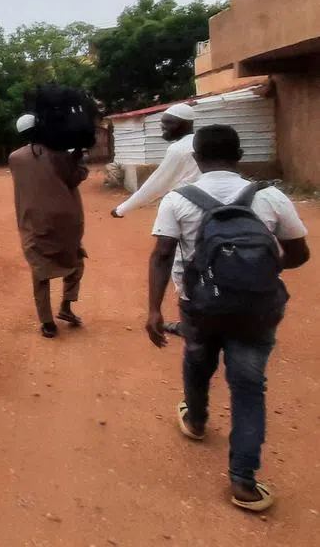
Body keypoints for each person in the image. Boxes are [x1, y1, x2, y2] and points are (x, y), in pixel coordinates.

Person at [146, 125, 309, 512]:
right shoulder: (270, 196)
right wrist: (263, 271)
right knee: (250, 387)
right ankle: (244, 482)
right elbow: (300, 253)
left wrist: (153, 309)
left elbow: (162, 255)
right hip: (257, 308)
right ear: (240, 155)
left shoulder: (177, 200)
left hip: (198, 306)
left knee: (198, 361)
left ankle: (198, 420)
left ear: (196, 158)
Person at [9, 113, 88, 338]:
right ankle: (66, 307)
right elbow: (76, 177)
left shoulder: (15, 158)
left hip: (33, 223)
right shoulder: (61, 154)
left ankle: (47, 322)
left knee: (40, 270)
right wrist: (79, 158)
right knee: (76, 262)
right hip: (66, 222)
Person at [111, 103, 198, 218]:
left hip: (187, 206)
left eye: (168, 122)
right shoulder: (200, 142)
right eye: (162, 122)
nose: (162, 126)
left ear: (183, 124)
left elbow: (157, 183)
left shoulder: (178, 149)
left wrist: (122, 209)